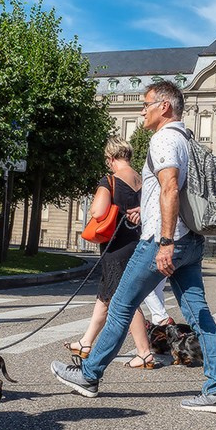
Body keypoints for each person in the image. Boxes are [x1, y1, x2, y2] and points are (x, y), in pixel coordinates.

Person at [50, 81, 216, 412]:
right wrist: (144, 209)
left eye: (146, 104)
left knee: (121, 304)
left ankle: (88, 375)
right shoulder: (187, 140)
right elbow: (165, 191)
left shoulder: (164, 138)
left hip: (163, 242)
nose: (142, 110)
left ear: (165, 106)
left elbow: (169, 189)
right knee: (198, 312)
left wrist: (163, 241)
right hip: (190, 241)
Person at [64, 137, 157, 369]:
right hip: (135, 242)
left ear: (111, 158)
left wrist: (100, 204)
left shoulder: (109, 181)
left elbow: (97, 211)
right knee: (105, 296)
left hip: (115, 247)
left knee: (125, 299)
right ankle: (86, 342)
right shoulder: (142, 180)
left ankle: (144, 352)